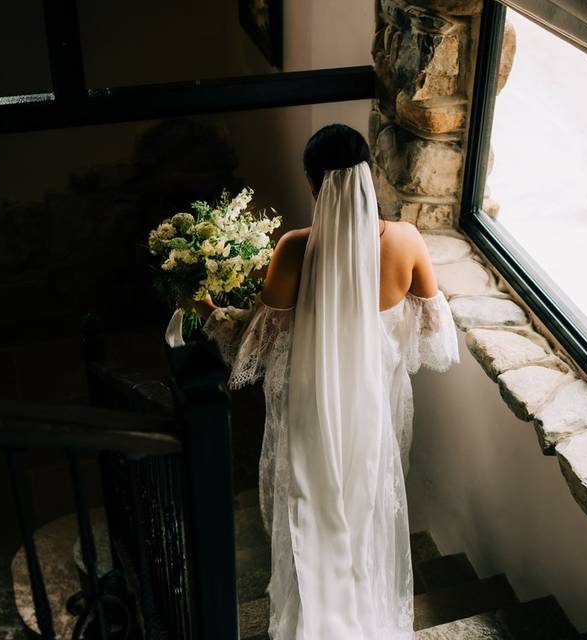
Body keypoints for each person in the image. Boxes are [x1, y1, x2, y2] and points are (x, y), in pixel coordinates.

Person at [188, 124, 459, 639]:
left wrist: (208, 309)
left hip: (313, 409)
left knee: (313, 516)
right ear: (367, 177)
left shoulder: (295, 250)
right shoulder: (405, 240)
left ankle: (317, 623)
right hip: (373, 405)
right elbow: (434, 332)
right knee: (366, 512)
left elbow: (257, 348)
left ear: (314, 186)